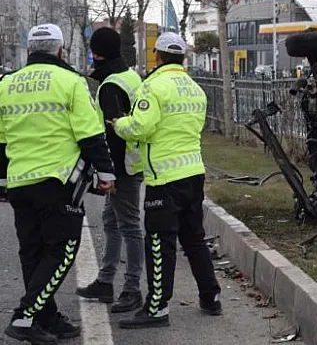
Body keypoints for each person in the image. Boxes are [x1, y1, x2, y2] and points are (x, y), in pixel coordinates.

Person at [0, 23, 115, 343]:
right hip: (57, 179)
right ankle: (25, 317)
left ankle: (46, 316)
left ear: (29, 51)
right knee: (63, 249)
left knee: (33, 253)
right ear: (61, 50)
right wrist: (106, 173)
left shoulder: (7, 84)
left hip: (20, 181)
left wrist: (2, 180)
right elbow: (91, 134)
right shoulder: (72, 82)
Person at [112, 32, 221, 329]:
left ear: (157, 56)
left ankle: (157, 307)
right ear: (183, 58)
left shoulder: (152, 87)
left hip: (164, 178)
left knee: (160, 243)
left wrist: (119, 123)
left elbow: (140, 127)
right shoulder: (196, 89)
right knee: (194, 238)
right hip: (193, 173)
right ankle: (211, 297)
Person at [75, 27, 145, 313]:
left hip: (123, 167)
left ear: (96, 52)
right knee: (111, 222)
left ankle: (132, 289)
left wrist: (109, 175)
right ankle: (105, 281)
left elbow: (114, 133)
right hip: (134, 160)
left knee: (129, 227)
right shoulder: (130, 76)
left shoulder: (110, 86)